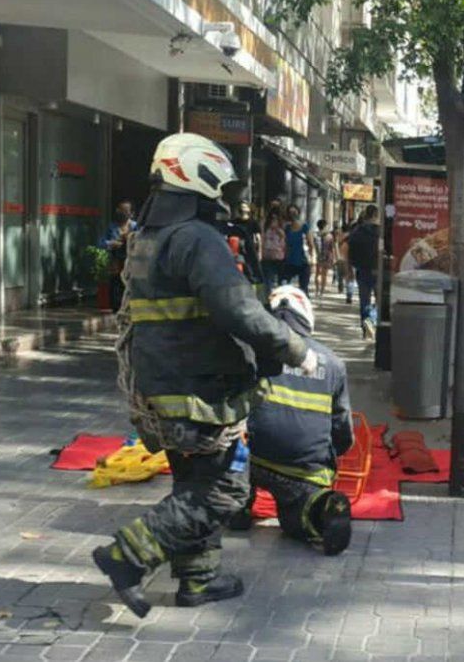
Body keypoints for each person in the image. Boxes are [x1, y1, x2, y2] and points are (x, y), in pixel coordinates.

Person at [91, 133, 317, 618]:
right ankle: (127, 556)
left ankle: (200, 577)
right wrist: (297, 349)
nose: (224, 198)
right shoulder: (195, 239)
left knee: (194, 481)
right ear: (198, 175)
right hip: (198, 388)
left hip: (161, 386)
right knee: (225, 490)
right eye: (220, 186)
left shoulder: (149, 237)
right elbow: (239, 311)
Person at [230, 285, 354, 555]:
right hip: (304, 467)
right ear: (307, 317)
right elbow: (343, 430)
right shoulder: (333, 364)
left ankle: (236, 509)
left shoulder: (251, 353)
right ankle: (323, 508)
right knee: (296, 517)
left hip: (254, 460)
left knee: (229, 469)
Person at [345, 206, 380, 340]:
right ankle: (372, 318)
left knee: (364, 300)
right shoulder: (380, 231)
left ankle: (365, 326)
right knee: (379, 300)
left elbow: (349, 250)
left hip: (362, 270)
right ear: (376, 215)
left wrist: (349, 269)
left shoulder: (356, 231)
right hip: (378, 270)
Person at [98, 200, 137, 310]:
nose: (121, 213)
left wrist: (129, 239)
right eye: (119, 210)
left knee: (130, 286)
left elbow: (143, 241)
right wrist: (111, 243)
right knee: (116, 285)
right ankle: (116, 308)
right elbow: (101, 242)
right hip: (116, 262)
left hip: (132, 263)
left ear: (131, 213)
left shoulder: (136, 227)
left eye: (124, 211)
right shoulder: (112, 227)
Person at [281, 205, 314, 293]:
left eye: (294, 212)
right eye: (290, 213)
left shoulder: (305, 227)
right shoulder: (287, 228)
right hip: (290, 261)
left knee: (303, 288)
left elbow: (311, 244)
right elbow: (285, 244)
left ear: (298, 213)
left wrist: (312, 259)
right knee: (284, 285)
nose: (293, 215)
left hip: (304, 261)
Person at [260, 208, 286, 294]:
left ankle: (281, 299)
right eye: (272, 218)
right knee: (267, 280)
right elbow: (262, 239)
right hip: (267, 255)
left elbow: (284, 238)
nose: (273, 220)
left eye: (276, 218)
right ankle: (266, 299)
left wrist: (278, 229)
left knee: (281, 280)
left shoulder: (283, 226)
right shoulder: (265, 226)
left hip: (279, 256)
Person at [313, 219, 335, 298]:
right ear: (325, 226)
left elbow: (314, 246)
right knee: (324, 274)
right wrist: (333, 258)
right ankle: (321, 291)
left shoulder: (315, 235)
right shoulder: (329, 236)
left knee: (317, 274)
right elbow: (331, 248)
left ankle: (317, 290)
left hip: (318, 256)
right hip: (326, 256)